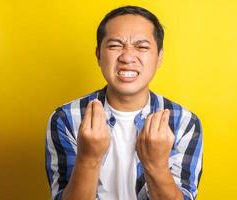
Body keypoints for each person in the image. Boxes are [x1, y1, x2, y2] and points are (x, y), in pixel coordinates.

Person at [45, 5, 203, 200]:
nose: (127, 57)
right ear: (98, 55)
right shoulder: (66, 118)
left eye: (142, 47)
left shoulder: (184, 122)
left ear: (159, 57)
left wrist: (156, 166)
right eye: (115, 45)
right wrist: (88, 159)